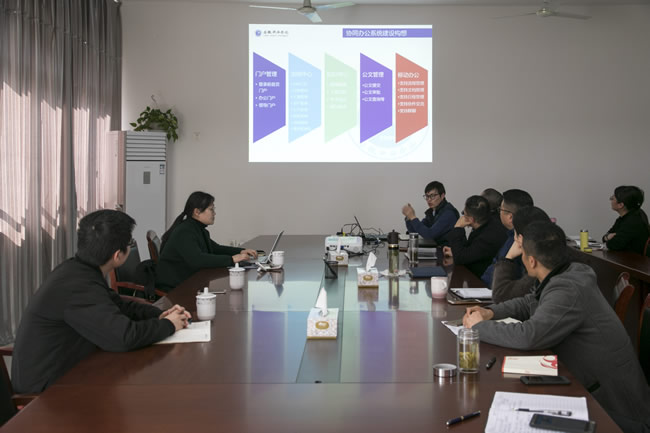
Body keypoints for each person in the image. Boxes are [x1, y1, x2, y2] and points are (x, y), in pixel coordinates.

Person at [463, 221, 650, 433]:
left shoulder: (567, 288)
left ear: (531, 261)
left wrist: (478, 327)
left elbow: (530, 336)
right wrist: (491, 312)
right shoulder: (566, 271)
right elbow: (529, 301)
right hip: (591, 385)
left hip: (615, 409)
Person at [11, 210, 191, 394]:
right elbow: (124, 337)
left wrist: (159, 314)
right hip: (46, 392)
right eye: (130, 242)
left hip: (72, 369)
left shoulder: (78, 269)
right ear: (117, 255)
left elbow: (119, 305)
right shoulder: (78, 285)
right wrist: (169, 325)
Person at [155, 191, 258, 292]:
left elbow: (215, 248)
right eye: (211, 209)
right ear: (197, 212)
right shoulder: (184, 231)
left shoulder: (198, 229)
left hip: (188, 282)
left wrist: (240, 251)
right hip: (175, 290)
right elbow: (198, 260)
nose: (214, 213)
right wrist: (231, 259)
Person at [443, 195, 507, 278]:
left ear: (471, 219)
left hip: (481, 280)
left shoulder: (488, 237)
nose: (463, 217)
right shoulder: (488, 222)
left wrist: (458, 228)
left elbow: (460, 259)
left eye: (464, 214)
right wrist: (455, 251)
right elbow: (470, 250)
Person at [480, 189, 533, 287]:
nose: (499, 213)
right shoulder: (513, 235)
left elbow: (495, 278)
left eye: (500, 210)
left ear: (510, 217)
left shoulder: (516, 241)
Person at [401, 180, 459, 245]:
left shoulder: (448, 213)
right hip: (438, 248)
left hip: (449, 250)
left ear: (442, 196)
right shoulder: (432, 212)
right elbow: (416, 232)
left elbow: (429, 234)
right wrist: (409, 217)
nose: (429, 200)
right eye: (427, 196)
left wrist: (413, 217)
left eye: (432, 196)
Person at [603, 186, 650, 255]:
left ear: (620, 205)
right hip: (623, 257)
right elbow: (606, 236)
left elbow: (614, 244)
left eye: (613, 198)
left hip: (633, 260)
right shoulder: (626, 216)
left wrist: (607, 238)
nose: (610, 199)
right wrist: (607, 237)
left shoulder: (633, 220)